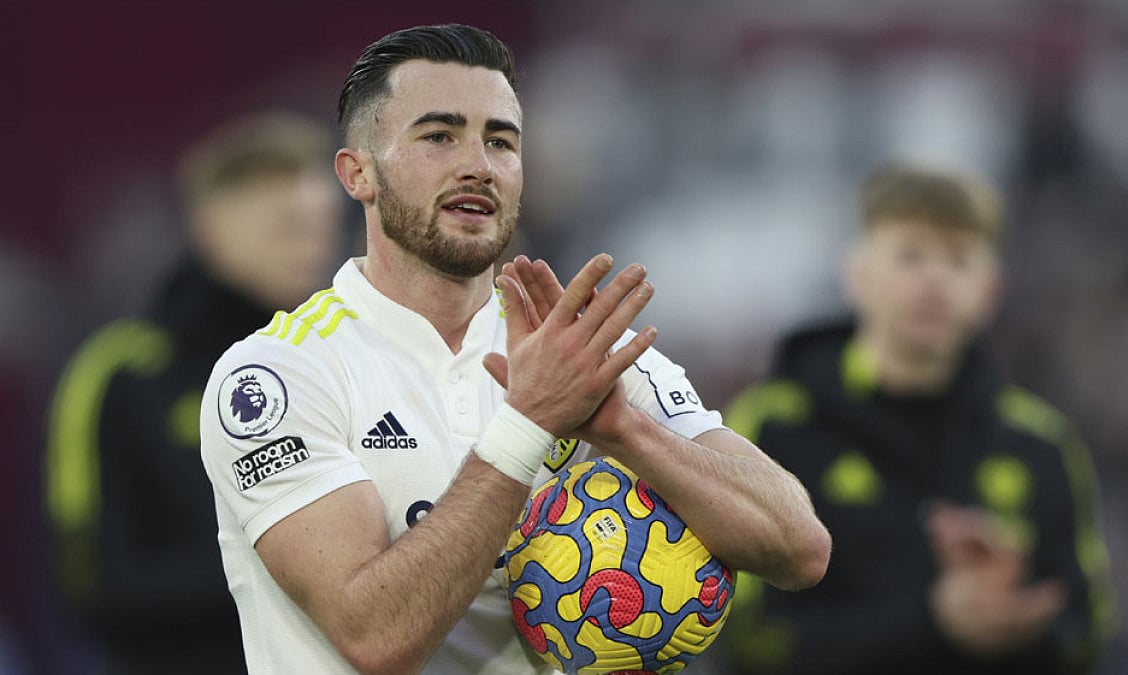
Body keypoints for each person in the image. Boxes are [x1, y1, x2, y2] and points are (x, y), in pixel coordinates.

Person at [197, 23, 832, 675]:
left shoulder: (577, 349)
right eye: (439, 135)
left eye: (500, 140)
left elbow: (799, 549)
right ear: (358, 173)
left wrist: (627, 430)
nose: (478, 163)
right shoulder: (277, 374)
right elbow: (375, 637)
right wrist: (528, 421)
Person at [718, 162, 1119, 674]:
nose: (934, 279)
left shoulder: (1042, 444)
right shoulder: (775, 425)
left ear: (990, 291)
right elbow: (745, 639)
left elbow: (1089, 638)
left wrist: (1014, 622)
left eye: (957, 259)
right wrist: (933, 622)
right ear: (857, 276)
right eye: (910, 255)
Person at [45, 111, 344, 674]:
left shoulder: (344, 361)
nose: (311, 247)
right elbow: (94, 582)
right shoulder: (123, 374)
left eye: (321, 226)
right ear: (213, 228)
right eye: (286, 226)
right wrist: (287, 567)